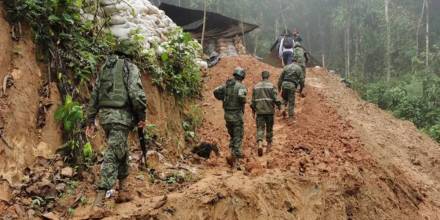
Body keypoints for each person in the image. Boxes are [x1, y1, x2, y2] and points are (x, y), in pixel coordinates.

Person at [86, 40, 147, 207]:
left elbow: (95, 94)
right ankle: (99, 199)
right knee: (113, 154)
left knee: (121, 150)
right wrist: (141, 116)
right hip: (121, 117)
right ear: (129, 54)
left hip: (105, 117)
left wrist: (90, 119)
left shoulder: (106, 68)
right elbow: (135, 94)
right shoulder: (130, 67)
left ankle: (124, 190)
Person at [213, 67, 247, 169]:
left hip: (227, 115)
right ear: (242, 76)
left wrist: (222, 99)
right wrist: (243, 101)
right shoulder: (241, 86)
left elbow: (215, 91)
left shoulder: (226, 85)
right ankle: (235, 160)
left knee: (232, 135)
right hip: (237, 115)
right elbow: (242, 98)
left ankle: (232, 154)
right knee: (238, 136)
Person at [251, 71, 281, 156]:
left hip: (259, 112)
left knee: (260, 128)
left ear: (262, 76)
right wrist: (279, 106)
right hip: (269, 111)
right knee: (269, 128)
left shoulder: (256, 87)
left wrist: (253, 111)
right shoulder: (271, 86)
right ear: (268, 76)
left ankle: (260, 143)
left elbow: (253, 101)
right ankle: (268, 145)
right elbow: (275, 98)